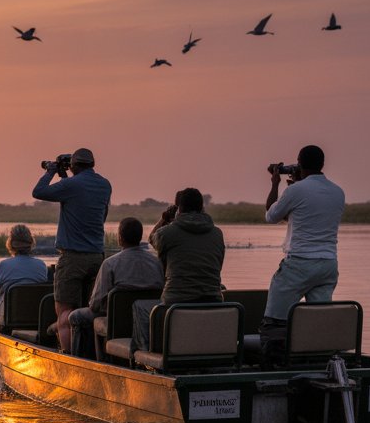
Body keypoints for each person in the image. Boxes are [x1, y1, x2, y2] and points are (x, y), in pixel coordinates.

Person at [259, 145, 345, 363]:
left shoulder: (295, 191)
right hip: (328, 265)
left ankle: (275, 366)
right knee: (318, 320)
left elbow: (271, 216)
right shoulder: (338, 192)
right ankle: (318, 362)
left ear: (299, 163)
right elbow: (303, 218)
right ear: (322, 164)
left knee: (275, 320)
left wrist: (276, 184)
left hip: (299, 263)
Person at [32, 147, 112, 351]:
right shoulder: (104, 185)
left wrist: (51, 170)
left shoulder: (71, 185)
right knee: (90, 309)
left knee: (65, 312)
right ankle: (91, 353)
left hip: (73, 259)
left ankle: (68, 356)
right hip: (97, 257)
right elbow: (96, 211)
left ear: (74, 166)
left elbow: (38, 191)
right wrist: (64, 175)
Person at [131, 187, 225, 357]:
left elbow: (152, 238)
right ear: (202, 208)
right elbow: (219, 264)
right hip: (213, 302)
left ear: (178, 209)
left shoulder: (169, 232)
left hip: (176, 303)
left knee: (140, 307)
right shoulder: (217, 234)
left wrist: (164, 219)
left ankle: (146, 358)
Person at [68, 217, 164, 355]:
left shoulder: (110, 263)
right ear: (139, 237)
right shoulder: (156, 262)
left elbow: (95, 304)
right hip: (147, 318)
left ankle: (81, 360)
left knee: (75, 316)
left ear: (120, 238)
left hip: (116, 321)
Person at [0, 223, 49, 327]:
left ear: (10, 243)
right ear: (30, 243)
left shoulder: (3, 265)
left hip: (7, 319)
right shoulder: (41, 265)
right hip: (36, 318)